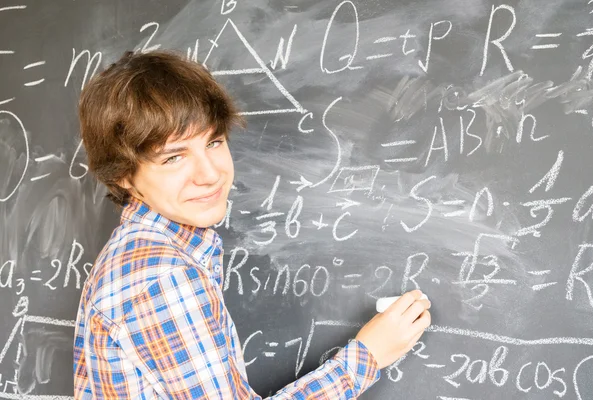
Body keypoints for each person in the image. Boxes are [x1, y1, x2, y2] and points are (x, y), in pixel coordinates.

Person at [73, 50, 431, 399]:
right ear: (122, 175)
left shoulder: (141, 254)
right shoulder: (161, 277)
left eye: (213, 142)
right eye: (174, 157)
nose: (211, 174)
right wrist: (367, 357)